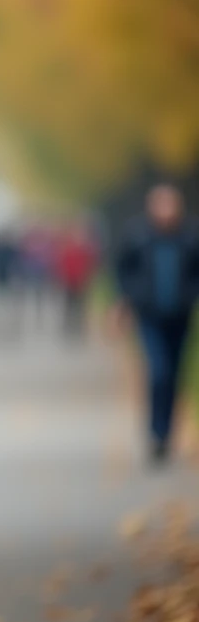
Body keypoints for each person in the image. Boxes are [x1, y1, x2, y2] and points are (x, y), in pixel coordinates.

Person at [115, 184, 199, 467]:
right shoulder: (138, 236)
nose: (166, 211)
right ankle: (157, 433)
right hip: (149, 315)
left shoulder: (190, 236)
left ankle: (169, 433)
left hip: (180, 315)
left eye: (171, 204)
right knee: (159, 370)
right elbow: (122, 269)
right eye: (160, 204)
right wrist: (126, 301)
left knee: (175, 374)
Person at [55, 220, 98, 339]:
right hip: (69, 281)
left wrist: (88, 278)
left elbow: (91, 264)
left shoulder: (86, 248)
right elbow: (62, 264)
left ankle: (79, 327)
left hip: (81, 281)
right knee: (68, 305)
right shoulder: (67, 247)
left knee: (81, 305)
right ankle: (68, 326)